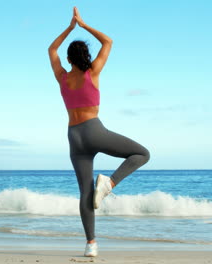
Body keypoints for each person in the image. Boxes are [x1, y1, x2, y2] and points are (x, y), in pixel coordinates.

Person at [48, 7, 150, 257]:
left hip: (74, 136)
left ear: (69, 59)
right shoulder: (92, 72)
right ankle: (110, 182)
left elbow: (51, 50)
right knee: (142, 154)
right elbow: (109, 41)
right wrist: (83, 26)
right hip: (94, 130)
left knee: (84, 192)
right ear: (85, 56)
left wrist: (69, 28)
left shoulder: (62, 77)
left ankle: (90, 244)